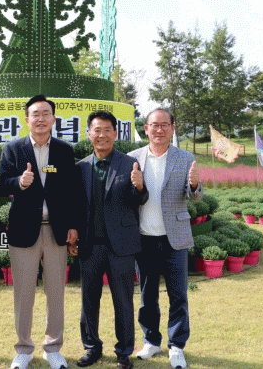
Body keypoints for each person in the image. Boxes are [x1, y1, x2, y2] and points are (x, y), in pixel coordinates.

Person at [0, 94, 79, 369]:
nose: (41, 118)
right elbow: (2, 182)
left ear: (53, 119)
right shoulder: (13, 149)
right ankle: (23, 349)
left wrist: (73, 225)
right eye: (35, 114)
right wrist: (19, 182)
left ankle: (53, 348)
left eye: (46, 113)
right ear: (27, 119)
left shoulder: (64, 150)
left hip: (56, 232)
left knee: (56, 292)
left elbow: (72, 190)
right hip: (24, 231)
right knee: (24, 294)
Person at [128, 109, 202, 369]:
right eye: (154, 125)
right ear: (146, 128)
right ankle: (151, 341)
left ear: (172, 128)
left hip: (175, 238)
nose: (159, 130)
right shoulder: (133, 158)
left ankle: (177, 346)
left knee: (178, 295)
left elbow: (195, 197)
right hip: (144, 237)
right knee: (147, 295)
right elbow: (127, 198)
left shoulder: (185, 158)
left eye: (164, 125)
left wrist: (195, 185)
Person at [74, 111, 148, 369]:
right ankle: (91, 347)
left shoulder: (129, 164)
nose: (102, 135)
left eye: (107, 129)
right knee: (88, 301)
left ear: (115, 134)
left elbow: (139, 200)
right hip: (89, 246)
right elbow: (75, 205)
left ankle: (124, 351)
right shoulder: (81, 167)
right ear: (89, 134)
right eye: (97, 130)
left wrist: (139, 186)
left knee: (123, 301)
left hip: (121, 246)